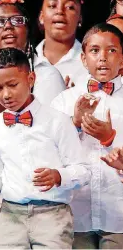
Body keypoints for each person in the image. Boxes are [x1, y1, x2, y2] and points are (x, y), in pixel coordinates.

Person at [0, 47, 90, 249]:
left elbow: (83, 170)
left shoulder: (57, 121)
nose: (6, 94)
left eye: (13, 85)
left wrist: (58, 176)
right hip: (10, 215)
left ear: (31, 79)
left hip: (52, 215)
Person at [51, 23, 123, 249]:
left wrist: (110, 138)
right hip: (77, 211)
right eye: (95, 51)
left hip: (118, 214)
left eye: (111, 50)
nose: (103, 57)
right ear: (83, 59)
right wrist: (75, 124)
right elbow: (49, 149)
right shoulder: (64, 100)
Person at [37, 0, 87, 87]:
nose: (60, 11)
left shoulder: (90, 63)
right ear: (41, 17)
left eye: (70, 7)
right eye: (52, 5)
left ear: (80, 19)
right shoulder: (27, 61)